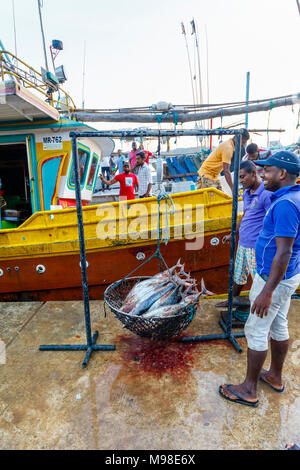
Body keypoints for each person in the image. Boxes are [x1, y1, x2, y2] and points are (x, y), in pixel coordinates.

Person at [219, 150, 300, 407]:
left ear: (283, 173)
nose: (263, 174)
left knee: (256, 330)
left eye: (267, 170)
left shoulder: (286, 203)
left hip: (273, 279)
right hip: (286, 278)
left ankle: (248, 389)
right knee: (279, 325)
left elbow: (284, 250)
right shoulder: (290, 196)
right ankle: (274, 376)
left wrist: (266, 291)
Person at [216, 160, 272, 309]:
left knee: (260, 281)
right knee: (238, 277)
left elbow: (272, 220)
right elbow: (246, 215)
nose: (240, 182)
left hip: (256, 247)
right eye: (239, 178)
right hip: (243, 244)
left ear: (253, 174)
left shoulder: (266, 194)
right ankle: (231, 301)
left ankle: (263, 310)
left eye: (242, 177)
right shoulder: (247, 192)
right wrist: (233, 234)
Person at [198, 129, 250, 194]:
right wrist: (233, 189)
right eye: (243, 142)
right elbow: (226, 171)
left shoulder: (231, 144)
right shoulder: (228, 148)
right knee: (213, 199)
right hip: (206, 175)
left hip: (214, 176)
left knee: (222, 197)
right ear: (237, 138)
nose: (243, 145)